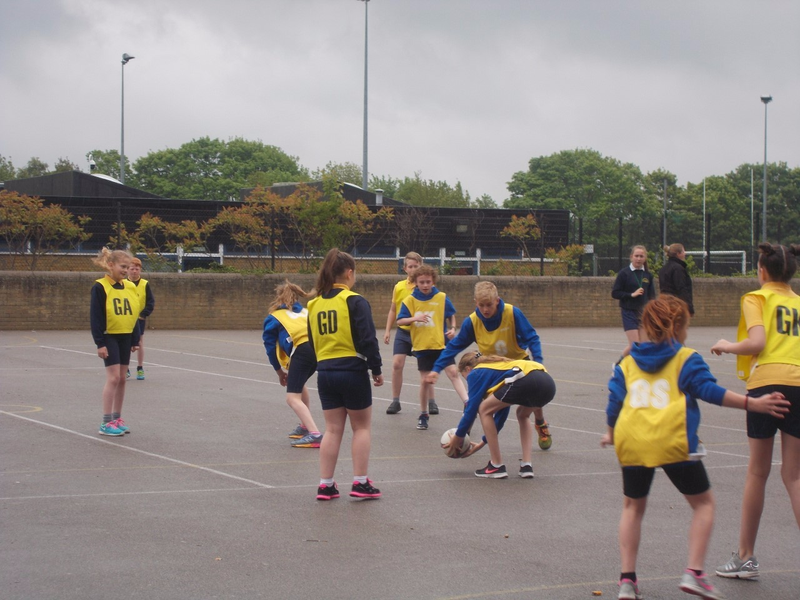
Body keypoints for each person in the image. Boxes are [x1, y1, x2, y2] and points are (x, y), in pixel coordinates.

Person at [601, 295, 789, 600]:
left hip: (632, 439)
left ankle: (627, 581)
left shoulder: (627, 361)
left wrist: (610, 432)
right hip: (673, 439)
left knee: (633, 508)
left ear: (646, 326)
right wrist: (752, 403)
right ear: (679, 326)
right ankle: (694, 573)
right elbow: (709, 391)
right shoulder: (685, 358)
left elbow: (614, 402)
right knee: (704, 505)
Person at [711, 242, 800, 580]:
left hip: (767, 382)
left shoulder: (757, 298)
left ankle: (746, 556)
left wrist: (726, 345)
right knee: (794, 476)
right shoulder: (798, 303)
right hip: (799, 382)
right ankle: (744, 557)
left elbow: (758, 342)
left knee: (757, 472)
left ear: (762, 270)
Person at [427, 281, 552, 450]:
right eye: (481, 305)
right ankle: (485, 441)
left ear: (497, 301)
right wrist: (436, 369)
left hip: (520, 365)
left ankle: (540, 422)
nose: (485, 309)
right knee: (490, 407)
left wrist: (538, 361)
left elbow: (532, 337)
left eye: (489, 305)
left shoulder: (512, 313)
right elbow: (454, 346)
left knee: (534, 401)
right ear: (475, 302)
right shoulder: (472, 321)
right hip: (496, 370)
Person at [307, 248, 383, 501]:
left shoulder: (314, 303)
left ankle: (325, 484)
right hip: (352, 369)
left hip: (325, 371)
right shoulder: (355, 300)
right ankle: (360, 481)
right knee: (361, 427)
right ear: (349, 273)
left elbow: (311, 340)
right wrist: (376, 369)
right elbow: (367, 338)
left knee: (332, 429)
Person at [446, 351, 556, 479]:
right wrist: (482, 443)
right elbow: (501, 416)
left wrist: (458, 436)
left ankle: (496, 465)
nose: (468, 381)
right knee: (522, 414)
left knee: (484, 409)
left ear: (468, 369)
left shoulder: (475, 373)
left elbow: (471, 409)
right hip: (547, 383)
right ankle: (527, 465)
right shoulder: (498, 368)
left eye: (465, 377)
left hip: (526, 380)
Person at [396, 264, 466, 431]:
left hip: (441, 344)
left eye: (428, 282)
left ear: (433, 281)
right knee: (425, 381)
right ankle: (423, 413)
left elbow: (451, 315)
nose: (425, 285)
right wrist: (415, 318)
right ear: (416, 283)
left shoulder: (441, 297)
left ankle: (467, 403)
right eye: (422, 282)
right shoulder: (410, 301)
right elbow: (399, 321)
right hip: (423, 346)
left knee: (453, 373)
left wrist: (453, 328)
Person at [262, 280, 321, 448]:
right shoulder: (307, 312)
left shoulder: (275, 317)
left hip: (302, 351)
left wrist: (279, 372)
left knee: (292, 397)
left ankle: (315, 434)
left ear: (279, 298)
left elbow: (270, 348)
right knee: (299, 384)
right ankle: (304, 426)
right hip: (317, 350)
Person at [90, 248, 142, 436]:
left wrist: (135, 338)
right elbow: (95, 317)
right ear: (110, 265)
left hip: (125, 335)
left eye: (128, 267)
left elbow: (134, 314)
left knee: (122, 379)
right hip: (109, 335)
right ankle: (105, 422)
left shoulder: (130, 287)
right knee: (113, 378)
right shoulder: (100, 287)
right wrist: (100, 343)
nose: (126, 270)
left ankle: (117, 417)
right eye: (123, 266)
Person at [383, 251, 422, 415]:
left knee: (425, 368)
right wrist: (387, 330)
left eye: (416, 266)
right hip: (403, 331)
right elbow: (393, 309)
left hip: (420, 332)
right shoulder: (399, 287)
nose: (413, 269)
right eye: (410, 266)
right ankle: (395, 400)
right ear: (405, 268)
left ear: (421, 267)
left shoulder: (425, 285)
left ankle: (430, 402)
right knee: (397, 364)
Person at [612, 245, 656, 359]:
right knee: (635, 345)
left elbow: (652, 296)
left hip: (643, 313)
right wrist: (631, 295)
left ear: (645, 258)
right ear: (631, 257)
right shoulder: (624, 273)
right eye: (636, 256)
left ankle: (640, 369)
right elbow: (615, 293)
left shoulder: (648, 275)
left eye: (641, 256)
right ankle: (619, 365)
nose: (639, 259)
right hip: (629, 312)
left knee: (644, 345)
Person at [126, 257, 155, 380]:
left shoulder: (145, 284)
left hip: (139, 318)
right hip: (126, 317)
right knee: (126, 343)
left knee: (139, 342)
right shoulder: (123, 283)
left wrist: (144, 314)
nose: (134, 271)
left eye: (136, 269)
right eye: (132, 269)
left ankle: (140, 367)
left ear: (140, 270)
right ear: (127, 270)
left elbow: (150, 302)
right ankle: (125, 368)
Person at [659, 243, 694, 316]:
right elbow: (681, 288)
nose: (685, 254)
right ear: (678, 254)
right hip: (676, 305)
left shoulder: (664, 269)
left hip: (664, 304)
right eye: (683, 251)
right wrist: (689, 307)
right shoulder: (678, 269)